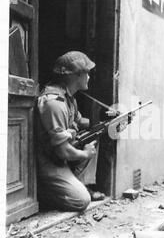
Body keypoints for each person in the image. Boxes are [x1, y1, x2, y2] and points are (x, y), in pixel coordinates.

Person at [36, 51, 110, 212]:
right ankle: (40, 192)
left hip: (59, 157)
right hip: (48, 162)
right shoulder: (54, 103)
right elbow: (63, 151)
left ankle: (79, 184)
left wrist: (106, 123)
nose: (89, 77)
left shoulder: (69, 98)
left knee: (94, 136)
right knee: (81, 201)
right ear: (75, 76)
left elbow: (79, 121)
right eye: (87, 73)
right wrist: (85, 154)